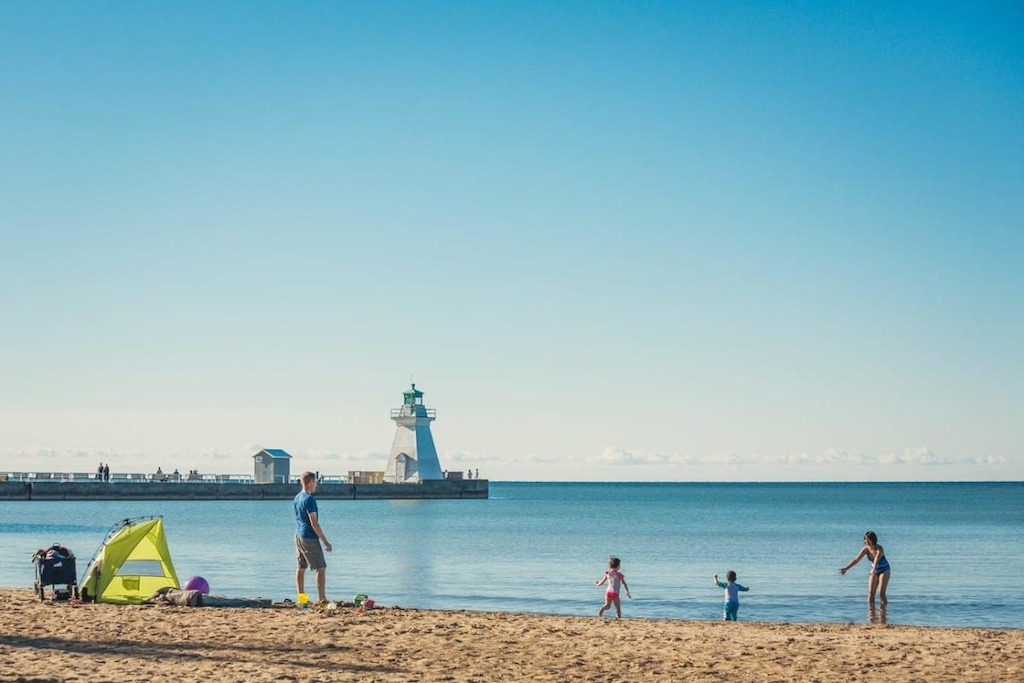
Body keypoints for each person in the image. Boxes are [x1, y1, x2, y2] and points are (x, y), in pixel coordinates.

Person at [294, 470, 333, 604]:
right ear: (310, 482)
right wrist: (325, 541)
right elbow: (314, 523)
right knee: (320, 568)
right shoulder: (309, 499)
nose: (316, 484)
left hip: (298, 535)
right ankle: (322, 598)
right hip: (309, 537)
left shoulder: (297, 497)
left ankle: (301, 598)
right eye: (315, 482)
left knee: (301, 567)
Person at [839, 530, 891, 607]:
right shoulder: (865, 549)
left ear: (872, 540)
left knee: (881, 593)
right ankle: (871, 614)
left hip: (884, 570)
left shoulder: (879, 548)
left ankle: (884, 612)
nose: (865, 541)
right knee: (871, 593)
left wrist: (873, 569)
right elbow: (856, 559)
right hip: (874, 570)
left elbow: (876, 558)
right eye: (865, 539)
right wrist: (846, 568)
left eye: (867, 539)